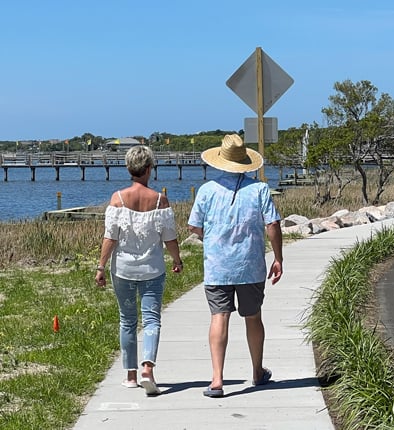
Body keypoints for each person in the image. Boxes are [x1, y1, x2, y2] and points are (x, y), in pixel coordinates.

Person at [187, 134, 283, 398]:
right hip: (250, 265)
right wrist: (278, 257)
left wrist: (213, 239)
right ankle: (256, 372)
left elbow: (194, 226)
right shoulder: (260, 189)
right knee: (253, 317)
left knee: (219, 316)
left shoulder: (207, 190)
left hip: (217, 266)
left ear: (220, 161)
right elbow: (272, 224)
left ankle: (217, 380)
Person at [95, 145, 183, 396]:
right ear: (148, 169)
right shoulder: (159, 200)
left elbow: (110, 237)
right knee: (152, 319)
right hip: (153, 269)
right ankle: (148, 368)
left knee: (127, 320)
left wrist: (101, 266)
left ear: (129, 168)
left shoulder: (117, 199)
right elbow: (169, 238)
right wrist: (177, 260)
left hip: (122, 269)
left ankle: (130, 375)